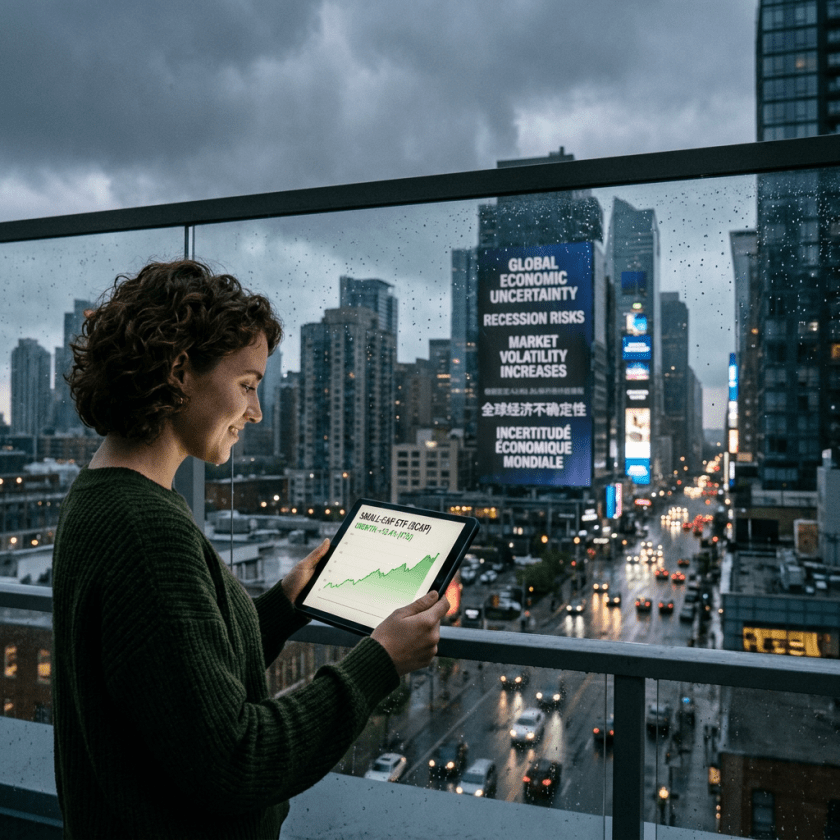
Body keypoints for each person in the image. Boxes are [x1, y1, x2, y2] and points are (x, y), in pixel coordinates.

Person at [51, 259, 449, 839]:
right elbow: (235, 761)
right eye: (247, 385)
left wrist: (283, 604)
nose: (256, 412)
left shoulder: (98, 499)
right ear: (180, 371)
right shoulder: (145, 528)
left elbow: (172, 686)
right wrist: (378, 662)